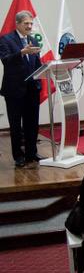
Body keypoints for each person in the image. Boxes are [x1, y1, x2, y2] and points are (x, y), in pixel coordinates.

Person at [0, 11, 42, 169]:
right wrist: (21, 53)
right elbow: (5, 60)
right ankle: (18, 156)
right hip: (14, 91)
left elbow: (37, 64)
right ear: (17, 24)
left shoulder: (32, 39)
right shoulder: (6, 39)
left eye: (31, 23)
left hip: (32, 89)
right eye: (26, 24)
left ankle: (32, 153)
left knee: (32, 123)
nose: (30, 26)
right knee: (16, 125)